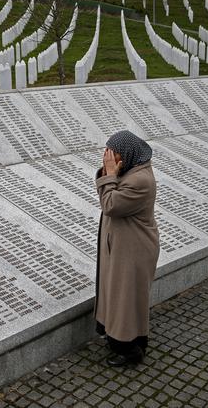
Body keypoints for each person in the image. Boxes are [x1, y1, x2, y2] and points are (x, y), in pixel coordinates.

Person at [94, 130, 160, 367]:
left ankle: (131, 350)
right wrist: (109, 173)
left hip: (134, 250)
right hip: (124, 247)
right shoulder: (131, 170)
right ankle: (124, 340)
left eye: (114, 154)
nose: (109, 158)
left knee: (127, 300)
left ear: (129, 154)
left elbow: (110, 205)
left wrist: (110, 174)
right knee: (120, 297)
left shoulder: (140, 181)